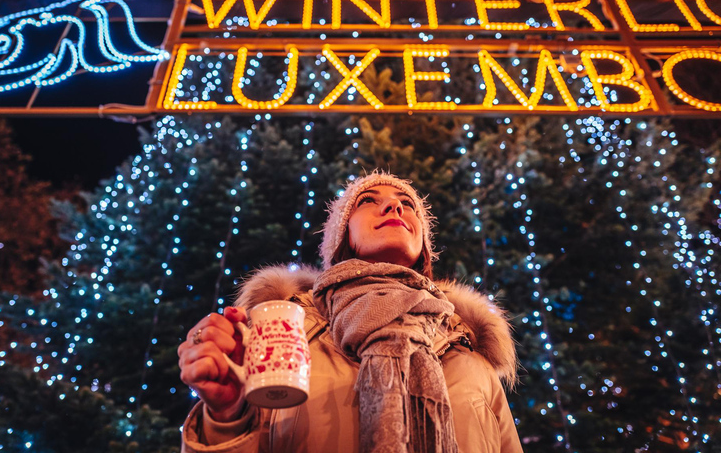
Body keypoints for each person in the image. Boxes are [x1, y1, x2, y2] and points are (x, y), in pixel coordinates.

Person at [178, 172, 523, 452]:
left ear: (423, 249)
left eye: (407, 205)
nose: (394, 207)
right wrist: (225, 417)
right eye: (369, 201)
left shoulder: (471, 357)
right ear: (343, 235)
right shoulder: (282, 339)